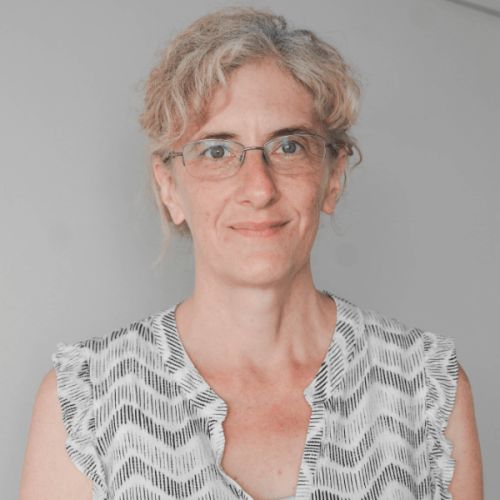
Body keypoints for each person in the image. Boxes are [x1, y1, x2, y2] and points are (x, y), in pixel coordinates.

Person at [20, 7, 483, 500]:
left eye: (289, 147)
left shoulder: (425, 388)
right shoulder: (88, 400)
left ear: (333, 176)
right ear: (169, 187)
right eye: (217, 151)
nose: (259, 189)